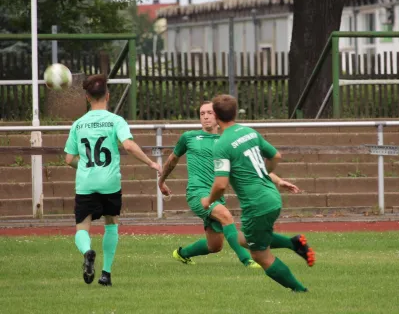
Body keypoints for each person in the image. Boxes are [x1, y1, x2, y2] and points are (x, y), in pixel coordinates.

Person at [202, 94, 315, 293]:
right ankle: (294, 243)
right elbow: (276, 156)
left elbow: (220, 185)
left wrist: (208, 201)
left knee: (259, 255)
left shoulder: (221, 144)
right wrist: (266, 172)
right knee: (244, 239)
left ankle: (300, 290)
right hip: (271, 197)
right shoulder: (249, 132)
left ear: (217, 116)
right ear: (235, 112)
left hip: (256, 205)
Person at [64, 74, 162, 286]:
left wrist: (82, 166)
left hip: (86, 184)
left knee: (82, 227)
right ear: (107, 96)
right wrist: (151, 163)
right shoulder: (116, 121)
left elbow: (69, 158)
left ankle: (87, 251)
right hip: (110, 184)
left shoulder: (78, 125)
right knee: (111, 225)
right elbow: (128, 145)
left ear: (87, 97)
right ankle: (106, 274)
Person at [158, 101, 262, 268]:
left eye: (209, 113)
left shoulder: (227, 141)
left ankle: (181, 254)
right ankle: (247, 260)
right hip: (196, 193)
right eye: (202, 113)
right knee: (226, 216)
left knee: (214, 246)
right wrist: (161, 181)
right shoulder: (189, 137)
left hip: (215, 195)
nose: (205, 116)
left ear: (218, 116)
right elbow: (172, 160)